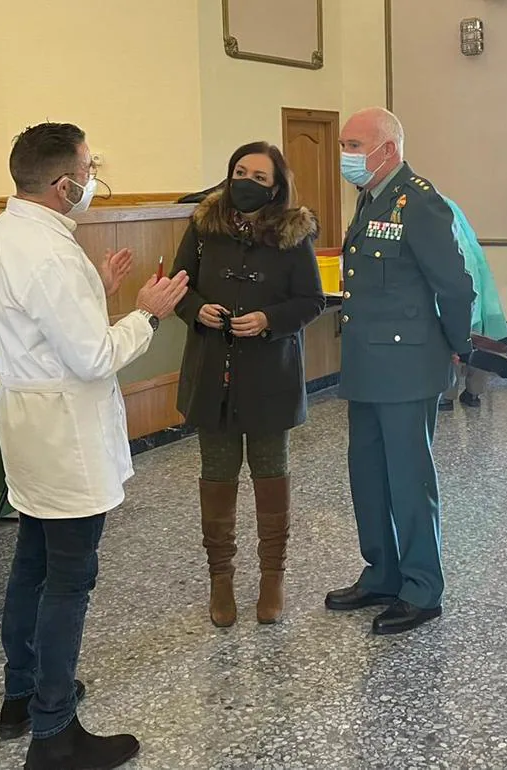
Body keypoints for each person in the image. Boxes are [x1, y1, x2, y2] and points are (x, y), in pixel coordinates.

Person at [0, 122, 189, 770]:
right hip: (64, 433)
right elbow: (93, 355)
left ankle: (23, 693)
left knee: (32, 561)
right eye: (91, 168)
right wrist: (147, 312)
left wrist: (96, 286)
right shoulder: (50, 255)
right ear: (64, 184)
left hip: (28, 426)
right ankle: (54, 730)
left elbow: (44, 325)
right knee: (70, 577)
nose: (96, 178)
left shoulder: (0, 236)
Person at [325, 107, 474, 635]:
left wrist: (458, 347)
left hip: (407, 362)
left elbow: (455, 284)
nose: (346, 155)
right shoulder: (371, 199)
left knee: (409, 480)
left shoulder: (419, 201)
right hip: (367, 361)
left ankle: (421, 587)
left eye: (353, 145)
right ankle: (381, 572)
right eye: (343, 145)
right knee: (368, 474)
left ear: (387, 148)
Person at [171, 141, 325, 628]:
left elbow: (311, 301)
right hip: (211, 372)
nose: (247, 183)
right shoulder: (203, 226)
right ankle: (221, 579)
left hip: (269, 375)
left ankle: (271, 577)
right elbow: (179, 286)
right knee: (216, 476)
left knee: (269, 473)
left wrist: (268, 319)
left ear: (276, 187)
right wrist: (197, 309)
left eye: (259, 177)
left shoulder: (292, 233)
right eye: (240, 172)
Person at [438, 194, 507, 411]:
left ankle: (446, 396)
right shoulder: (453, 213)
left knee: (449, 341)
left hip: (453, 290)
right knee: (479, 339)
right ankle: (474, 394)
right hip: (476, 288)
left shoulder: (432, 216)